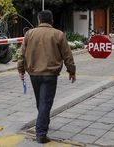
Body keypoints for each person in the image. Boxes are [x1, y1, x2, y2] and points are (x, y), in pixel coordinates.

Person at [17, 10, 76, 143]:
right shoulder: (58, 34)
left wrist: (21, 71)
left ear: (39, 20)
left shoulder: (29, 34)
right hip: (50, 75)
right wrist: (71, 71)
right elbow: (67, 55)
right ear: (51, 21)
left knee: (41, 102)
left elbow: (21, 55)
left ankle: (43, 123)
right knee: (45, 102)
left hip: (34, 74)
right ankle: (41, 133)